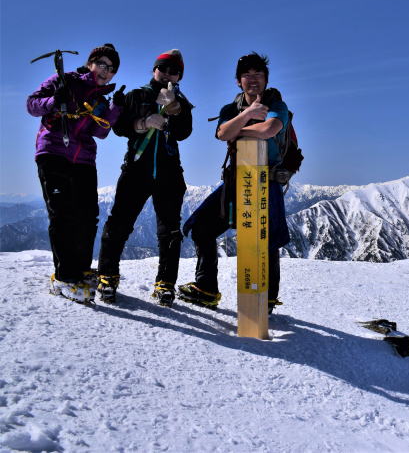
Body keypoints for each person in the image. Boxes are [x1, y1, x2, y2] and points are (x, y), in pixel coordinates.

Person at [178, 52, 290, 312]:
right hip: (237, 179)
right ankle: (206, 288)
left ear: (265, 79)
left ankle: (266, 299)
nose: (252, 80)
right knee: (202, 227)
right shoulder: (230, 109)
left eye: (258, 74)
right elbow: (221, 134)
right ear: (238, 81)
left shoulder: (276, 103)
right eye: (246, 75)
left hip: (266, 179)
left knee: (265, 239)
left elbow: (270, 129)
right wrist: (249, 114)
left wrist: (236, 130)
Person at [27, 43, 123, 304]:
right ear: (91, 62)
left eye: (112, 68)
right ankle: (64, 277)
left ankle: (80, 268)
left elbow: (100, 132)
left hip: (83, 159)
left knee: (88, 216)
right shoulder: (64, 80)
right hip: (53, 152)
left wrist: (114, 111)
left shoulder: (101, 99)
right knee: (62, 215)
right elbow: (32, 104)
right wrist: (54, 101)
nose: (106, 71)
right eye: (102, 64)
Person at [97, 49, 193, 306]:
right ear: (154, 70)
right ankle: (107, 275)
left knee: (170, 230)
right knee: (119, 223)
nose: (167, 74)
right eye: (163, 68)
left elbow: (184, 132)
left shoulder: (179, 100)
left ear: (179, 76)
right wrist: (143, 122)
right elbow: (119, 127)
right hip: (136, 169)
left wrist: (176, 110)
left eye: (174, 71)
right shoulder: (136, 95)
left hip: (169, 172)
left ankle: (165, 283)